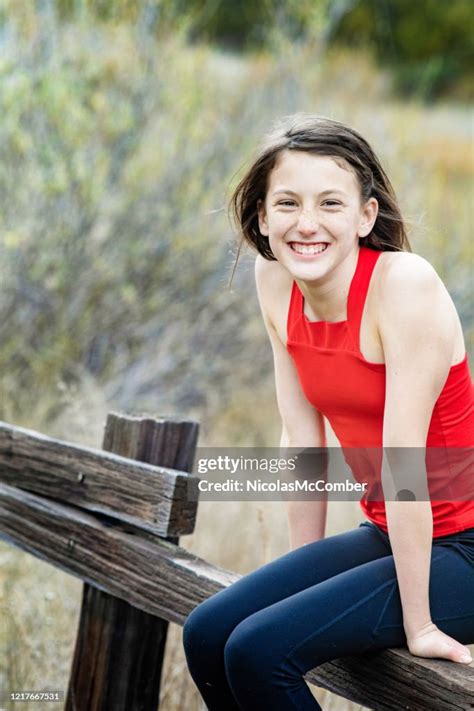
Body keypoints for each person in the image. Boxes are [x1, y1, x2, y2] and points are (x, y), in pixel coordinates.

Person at [182, 114, 474, 710]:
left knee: (260, 651)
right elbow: (301, 440)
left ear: (365, 216)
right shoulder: (275, 281)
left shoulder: (404, 285)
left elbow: (403, 464)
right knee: (209, 633)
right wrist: (301, 572)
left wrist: (419, 624)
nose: (306, 223)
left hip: (466, 546)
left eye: (330, 203)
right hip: (393, 531)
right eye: (287, 203)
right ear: (262, 217)